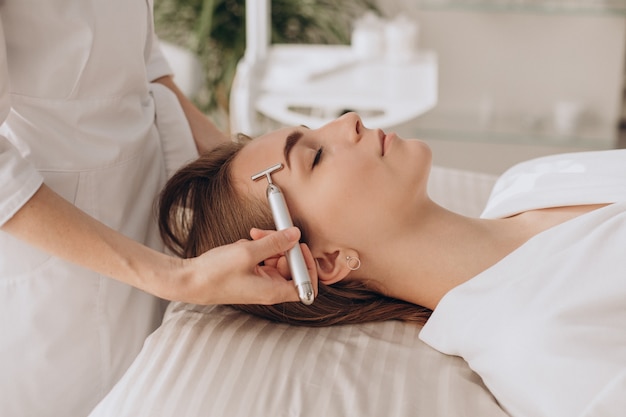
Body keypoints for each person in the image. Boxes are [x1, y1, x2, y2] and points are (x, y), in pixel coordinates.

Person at [158, 112, 626, 417]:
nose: (350, 121)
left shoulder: (527, 182)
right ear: (323, 259)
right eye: (315, 156)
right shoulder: (533, 339)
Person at [0, 2, 312, 416]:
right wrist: (177, 278)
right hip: (52, 246)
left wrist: (241, 171)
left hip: (144, 206)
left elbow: (143, 63)